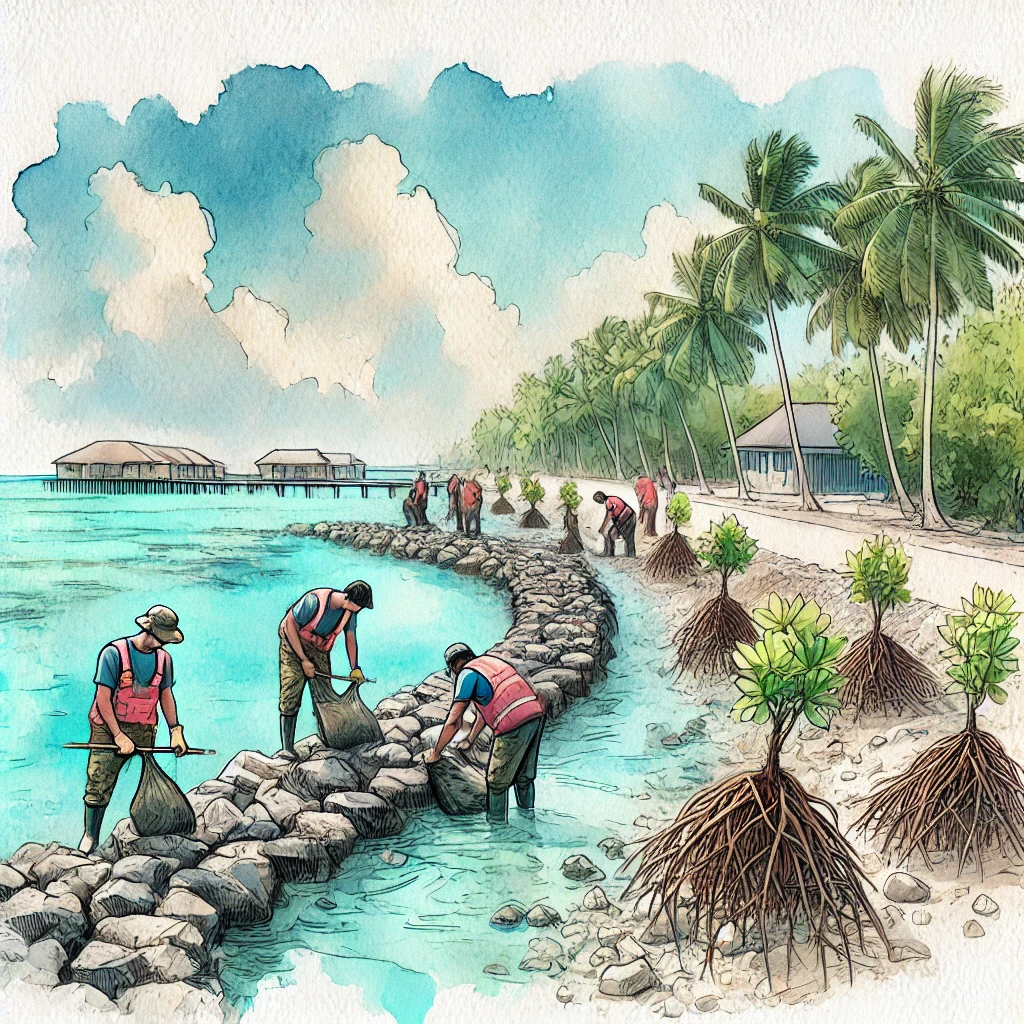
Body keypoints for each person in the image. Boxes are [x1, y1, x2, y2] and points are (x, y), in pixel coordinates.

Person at [79, 605, 188, 853]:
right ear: (149, 631)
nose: (166, 644)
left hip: (144, 725)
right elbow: (103, 699)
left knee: (151, 775)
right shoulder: (113, 654)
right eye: (164, 638)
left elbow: (166, 695)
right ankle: (90, 836)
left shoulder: (164, 660)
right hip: (108, 727)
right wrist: (118, 736)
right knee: (99, 779)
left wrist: (175, 730)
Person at [425, 643, 546, 823]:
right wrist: (471, 739)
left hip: (512, 723)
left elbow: (454, 720)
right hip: (535, 715)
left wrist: (436, 753)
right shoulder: (489, 663)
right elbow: (485, 711)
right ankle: (529, 818)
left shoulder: (467, 674)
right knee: (524, 777)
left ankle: (498, 831)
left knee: (496, 782)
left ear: (454, 664)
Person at [277, 581, 373, 758]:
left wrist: (355, 667)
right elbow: (290, 625)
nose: (358, 610)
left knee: (324, 693)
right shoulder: (314, 601)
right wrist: (304, 660)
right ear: (348, 598)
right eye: (358, 606)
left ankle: (328, 738)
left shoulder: (349, 612)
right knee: (290, 694)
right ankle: (287, 749)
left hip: (319, 649)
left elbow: (350, 637)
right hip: (293, 646)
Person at [593, 490, 637, 557]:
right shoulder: (610, 499)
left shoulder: (608, 501)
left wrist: (602, 527)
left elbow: (609, 516)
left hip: (628, 518)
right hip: (625, 518)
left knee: (628, 538)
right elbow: (613, 515)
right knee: (611, 534)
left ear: (600, 498)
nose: (598, 502)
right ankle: (609, 552)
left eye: (597, 500)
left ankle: (630, 556)